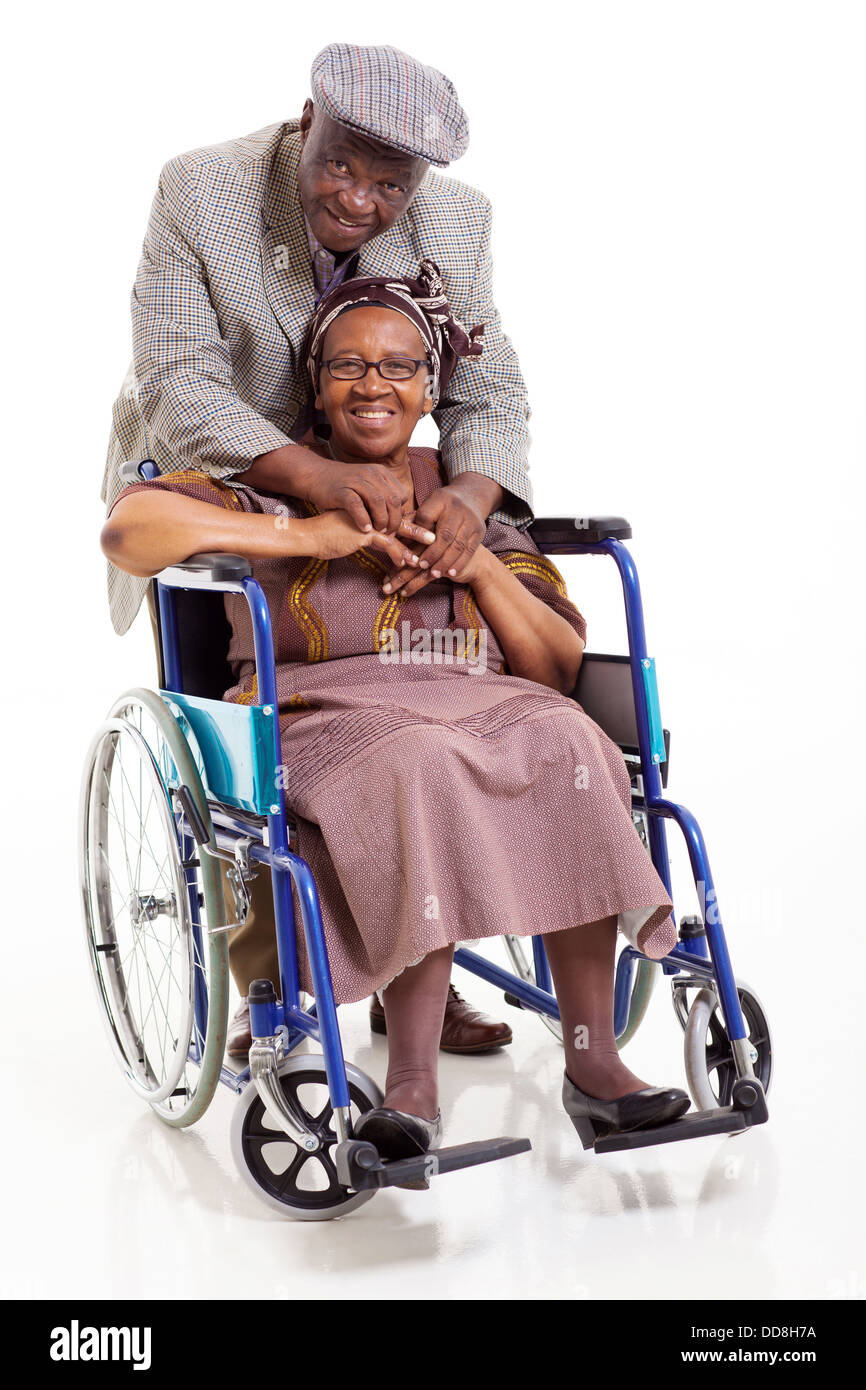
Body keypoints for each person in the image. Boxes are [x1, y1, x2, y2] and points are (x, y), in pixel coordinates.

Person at [102, 264, 690, 1159]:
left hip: (480, 696)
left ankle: (593, 1059)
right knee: (416, 762)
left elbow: (558, 666)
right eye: (348, 365)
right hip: (321, 709)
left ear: (429, 390)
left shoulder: (463, 495)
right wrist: (311, 535)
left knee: (570, 736)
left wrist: (480, 566)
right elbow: (129, 531)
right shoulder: (266, 485)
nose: (373, 384)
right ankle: (413, 1080)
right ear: (316, 382)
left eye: (398, 367)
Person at [101, 42, 531, 1054]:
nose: (359, 199)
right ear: (306, 122)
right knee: (255, 743)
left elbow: (492, 388)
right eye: (339, 166)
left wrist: (467, 497)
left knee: (415, 714)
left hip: (390, 505)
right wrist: (315, 481)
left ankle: (410, 969)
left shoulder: (456, 222)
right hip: (230, 471)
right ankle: (270, 978)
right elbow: (178, 383)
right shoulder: (201, 190)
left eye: (390, 184)